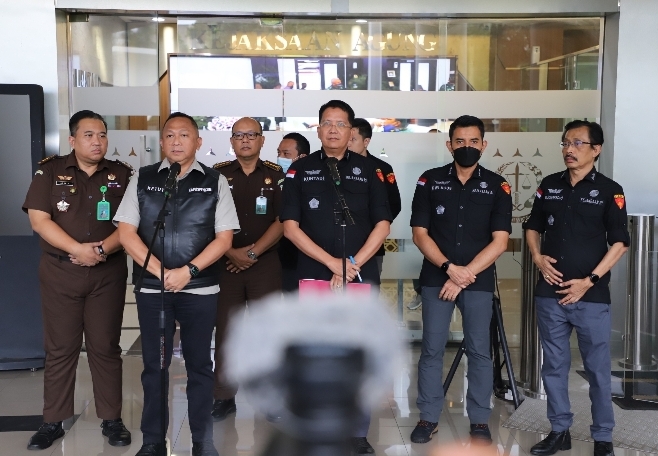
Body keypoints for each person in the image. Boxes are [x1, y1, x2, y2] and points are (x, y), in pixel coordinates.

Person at [115, 112, 239, 456]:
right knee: (155, 366)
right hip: (153, 290)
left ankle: (203, 441)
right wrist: (160, 272)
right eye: (170, 135)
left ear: (198, 142)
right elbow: (126, 232)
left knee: (200, 366)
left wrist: (189, 271)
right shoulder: (142, 178)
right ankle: (153, 441)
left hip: (200, 289)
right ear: (162, 142)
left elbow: (224, 238)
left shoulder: (215, 181)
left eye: (184, 135)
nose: (176, 141)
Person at [280, 100, 392, 454]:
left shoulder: (370, 171)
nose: (333, 129)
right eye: (327, 123)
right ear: (318, 129)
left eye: (340, 124)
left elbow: (383, 224)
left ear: (351, 131)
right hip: (314, 273)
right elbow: (290, 227)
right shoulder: (300, 170)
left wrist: (351, 264)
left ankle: (357, 433)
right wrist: (332, 263)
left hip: (359, 273)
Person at [22, 110, 133, 451]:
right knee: (60, 349)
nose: (97, 141)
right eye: (89, 135)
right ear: (72, 140)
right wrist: (78, 250)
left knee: (105, 347)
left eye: (102, 135)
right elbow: (39, 220)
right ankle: (52, 421)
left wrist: (98, 250)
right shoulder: (49, 171)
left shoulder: (121, 174)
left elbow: (130, 225)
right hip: (60, 272)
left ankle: (112, 420)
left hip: (107, 273)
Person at [523, 120, 629, 456]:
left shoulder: (610, 190)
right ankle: (559, 431)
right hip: (550, 293)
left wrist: (590, 281)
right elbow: (532, 226)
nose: (569, 149)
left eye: (578, 143)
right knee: (553, 367)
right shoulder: (549, 185)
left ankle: (603, 437)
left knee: (597, 370)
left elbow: (620, 243)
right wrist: (537, 257)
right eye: (566, 143)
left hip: (591, 296)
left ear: (596, 150)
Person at [409, 115, 512, 445]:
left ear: (483, 145)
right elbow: (420, 234)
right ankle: (428, 418)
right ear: (449, 144)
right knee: (432, 350)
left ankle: (479, 421)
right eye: (460, 141)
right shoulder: (429, 181)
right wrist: (449, 268)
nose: (467, 147)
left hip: (477, 282)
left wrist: (463, 275)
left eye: (473, 141)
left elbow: (500, 242)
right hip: (436, 278)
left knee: (480, 352)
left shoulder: (497, 186)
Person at [210, 117, 285, 422]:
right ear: (231, 141)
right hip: (225, 264)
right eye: (238, 135)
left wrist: (252, 252)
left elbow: (283, 221)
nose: (245, 140)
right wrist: (230, 251)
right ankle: (223, 396)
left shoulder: (277, 176)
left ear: (262, 140)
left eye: (251, 135)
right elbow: (206, 219)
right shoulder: (216, 175)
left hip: (264, 264)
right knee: (226, 331)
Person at [349, 118, 401, 276]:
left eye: (353, 139)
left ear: (366, 141)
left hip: (371, 242)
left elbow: (394, 204)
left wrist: (376, 226)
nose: (348, 143)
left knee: (369, 287)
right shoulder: (335, 166)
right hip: (338, 244)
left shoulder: (382, 168)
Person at [276, 133, 311, 293]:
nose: (280, 158)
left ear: (302, 157)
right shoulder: (275, 179)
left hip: (308, 258)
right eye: (279, 153)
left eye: (286, 154)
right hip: (281, 257)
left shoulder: (315, 183)